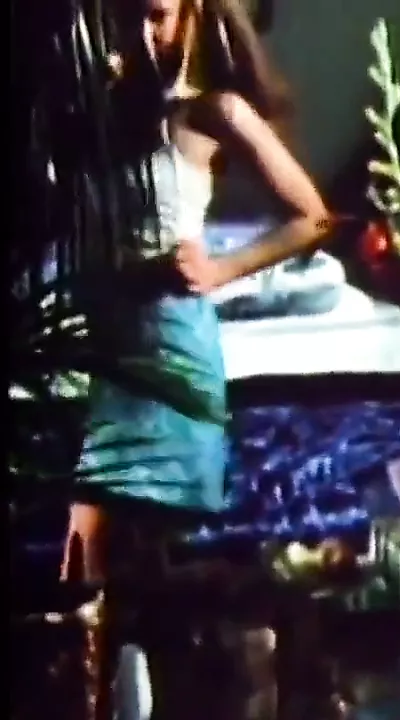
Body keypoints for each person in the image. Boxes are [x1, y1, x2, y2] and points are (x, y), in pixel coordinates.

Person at [62, 0, 330, 598]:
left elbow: (312, 217)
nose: (141, 34)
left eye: (156, 16)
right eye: (128, 16)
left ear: (190, 15)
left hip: (170, 351)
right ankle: (207, 631)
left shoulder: (210, 111)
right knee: (98, 563)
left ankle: (247, 617)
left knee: (108, 553)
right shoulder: (91, 112)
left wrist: (221, 268)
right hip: (104, 354)